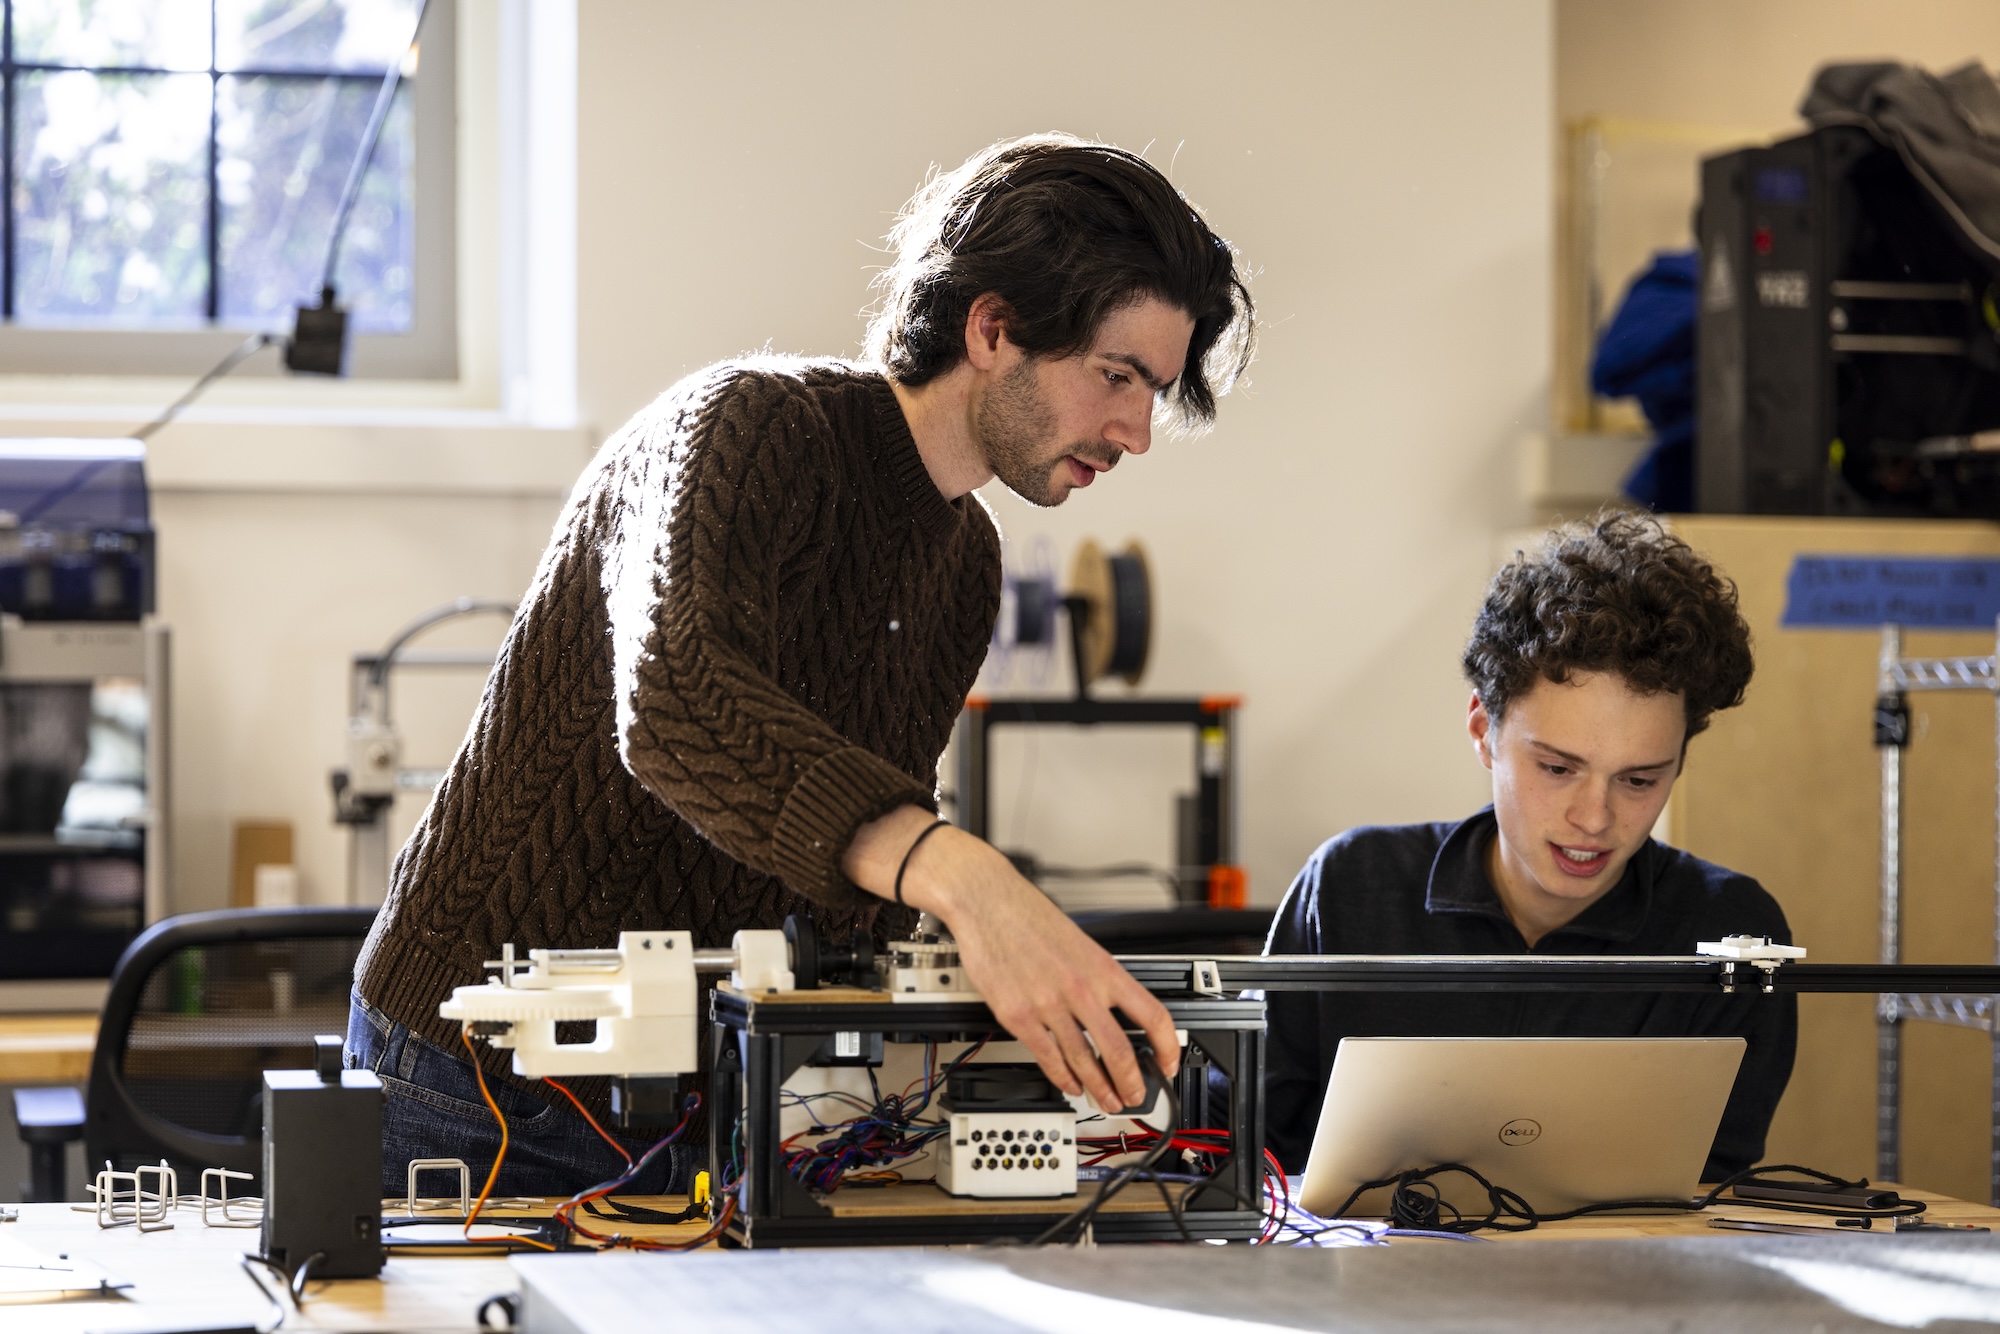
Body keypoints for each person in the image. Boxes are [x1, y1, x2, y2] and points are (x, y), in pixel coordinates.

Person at [347, 134, 1255, 1193]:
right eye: (1116, 375)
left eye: (1150, 389)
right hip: (474, 1080)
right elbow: (680, 703)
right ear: (994, 327)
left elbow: (833, 879)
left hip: (689, 1100)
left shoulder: (964, 564)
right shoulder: (745, 424)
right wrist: (965, 876)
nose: (1135, 431)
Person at [1263, 513, 1795, 1182]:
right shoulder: (1351, 888)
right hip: (1360, 1278)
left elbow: (1711, 1189)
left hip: (1625, 1283)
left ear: (1680, 761)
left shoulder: (1729, 934)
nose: (1595, 818)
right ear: (1484, 730)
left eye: (1638, 780)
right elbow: (1254, 1149)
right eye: (1557, 768)